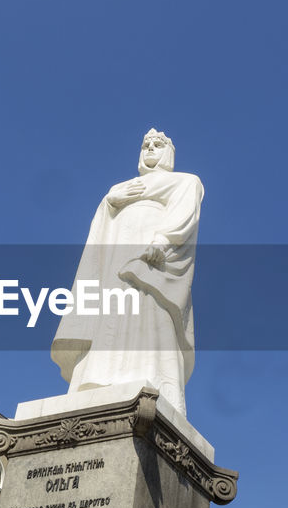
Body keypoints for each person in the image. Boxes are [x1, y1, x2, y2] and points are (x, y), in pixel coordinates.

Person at [51, 128, 203, 415]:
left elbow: (185, 213)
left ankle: (155, 380)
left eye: (158, 145)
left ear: (168, 152)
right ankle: (96, 379)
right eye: (146, 144)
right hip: (115, 260)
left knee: (148, 311)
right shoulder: (119, 189)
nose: (150, 149)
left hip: (151, 260)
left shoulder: (185, 181)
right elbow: (101, 232)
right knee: (110, 312)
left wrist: (164, 240)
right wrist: (110, 201)